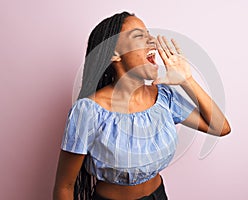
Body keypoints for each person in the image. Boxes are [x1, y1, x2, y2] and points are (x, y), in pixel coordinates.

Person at [53, 11, 231, 200]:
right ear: (114, 54)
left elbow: (221, 127)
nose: (152, 41)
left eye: (149, 35)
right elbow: (65, 187)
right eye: (139, 36)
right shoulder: (88, 111)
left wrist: (187, 80)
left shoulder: (164, 97)